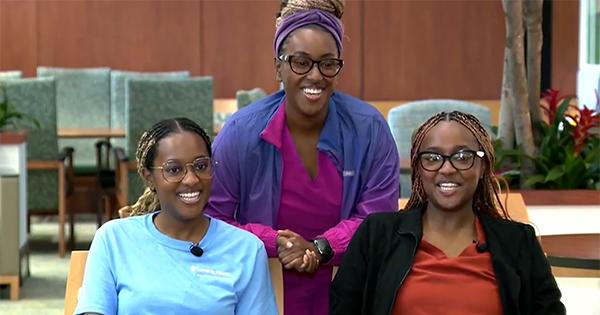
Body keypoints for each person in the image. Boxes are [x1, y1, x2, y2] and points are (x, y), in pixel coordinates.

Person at [205, 1, 400, 314]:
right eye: (300, 62)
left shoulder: (369, 129)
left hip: (349, 291)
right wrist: (276, 244)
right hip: (259, 290)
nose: (315, 76)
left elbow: (379, 219)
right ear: (278, 66)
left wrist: (321, 248)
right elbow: (213, 220)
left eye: (327, 63)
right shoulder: (241, 132)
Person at [330, 111, 566, 315]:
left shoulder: (519, 243)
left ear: (482, 166)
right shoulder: (376, 235)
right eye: (432, 158)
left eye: (463, 157)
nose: (447, 168)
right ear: (418, 168)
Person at [75, 118, 277, 315]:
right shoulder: (114, 239)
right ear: (149, 178)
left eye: (201, 166)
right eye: (174, 170)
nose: (191, 179)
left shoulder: (247, 249)